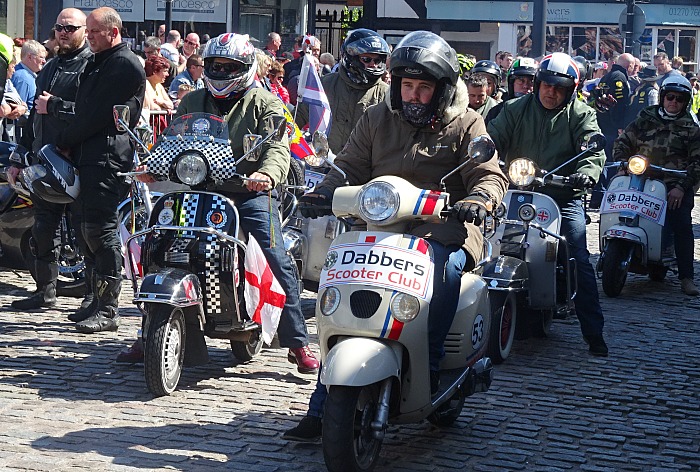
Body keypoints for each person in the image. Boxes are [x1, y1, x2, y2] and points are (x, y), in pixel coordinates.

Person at [284, 30, 508, 442]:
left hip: (442, 230)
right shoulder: (377, 117)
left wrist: (479, 198)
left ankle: (433, 366)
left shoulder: (466, 122)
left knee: (445, 275)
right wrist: (323, 191)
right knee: (337, 280)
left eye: (424, 87)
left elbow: (489, 174)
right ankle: (322, 402)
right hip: (378, 227)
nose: (414, 95)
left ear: (441, 90)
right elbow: (349, 165)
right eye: (407, 85)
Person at [118, 33, 320, 372]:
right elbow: (172, 141)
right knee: (156, 240)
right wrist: (151, 167)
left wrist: (267, 175)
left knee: (274, 254)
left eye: (229, 67)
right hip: (197, 189)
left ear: (245, 68)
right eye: (215, 65)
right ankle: (148, 329)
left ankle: (297, 343)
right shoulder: (192, 100)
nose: (221, 72)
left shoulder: (265, 103)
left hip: (247, 192)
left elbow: (277, 149)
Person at [487, 52, 609, 357]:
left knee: (579, 255)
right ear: (537, 84)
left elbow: (592, 147)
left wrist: (586, 173)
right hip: (514, 189)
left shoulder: (581, 114)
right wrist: (485, 154)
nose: (550, 92)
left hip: (561, 195)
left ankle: (594, 333)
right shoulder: (515, 108)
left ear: (570, 91)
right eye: (545, 85)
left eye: (559, 88)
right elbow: (492, 138)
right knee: (481, 240)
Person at [53, 6, 145, 333]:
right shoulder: (99, 61)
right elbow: (82, 109)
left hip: (107, 159)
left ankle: (108, 308)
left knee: (101, 232)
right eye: (87, 31)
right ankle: (94, 299)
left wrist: (63, 139)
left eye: (94, 32)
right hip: (88, 156)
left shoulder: (124, 64)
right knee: (85, 230)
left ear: (113, 32)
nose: (88, 37)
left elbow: (95, 115)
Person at [7, 8, 94, 314]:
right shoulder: (51, 65)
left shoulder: (92, 65)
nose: (63, 32)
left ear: (84, 29)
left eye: (69, 27)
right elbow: (34, 115)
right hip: (45, 161)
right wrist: (19, 157)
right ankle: (44, 291)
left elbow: (92, 114)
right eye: (59, 27)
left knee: (87, 234)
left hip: (79, 162)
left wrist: (55, 106)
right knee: (43, 229)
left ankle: (94, 299)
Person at [613, 76, 700, 296]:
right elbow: (624, 140)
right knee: (618, 206)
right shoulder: (646, 117)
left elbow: (697, 162)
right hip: (641, 176)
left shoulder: (691, 126)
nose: (673, 102)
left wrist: (682, 187)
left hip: (674, 182)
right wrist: (622, 164)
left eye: (679, 99)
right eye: (670, 97)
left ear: (685, 101)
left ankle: (686, 276)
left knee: (681, 222)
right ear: (662, 97)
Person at [295, 28, 390, 154]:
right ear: (351, 57)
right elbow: (295, 119)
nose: (373, 64)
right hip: (324, 165)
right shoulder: (325, 84)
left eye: (377, 60)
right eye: (367, 59)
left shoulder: (386, 94)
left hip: (365, 169)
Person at [589, 52, 635, 209]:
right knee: (611, 164)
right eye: (633, 66)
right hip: (611, 127)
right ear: (629, 66)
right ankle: (604, 197)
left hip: (603, 124)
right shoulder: (619, 78)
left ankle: (598, 197)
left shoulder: (607, 76)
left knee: (604, 162)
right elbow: (619, 105)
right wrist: (620, 126)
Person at [485, 57, 537, 125]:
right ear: (512, 83)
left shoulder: (542, 113)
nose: (525, 86)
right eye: (521, 80)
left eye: (531, 81)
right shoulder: (497, 112)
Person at [11, 40, 47, 111]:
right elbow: (17, 111)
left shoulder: (24, 74)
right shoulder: (23, 78)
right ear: (30, 57)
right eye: (41, 57)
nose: (44, 61)